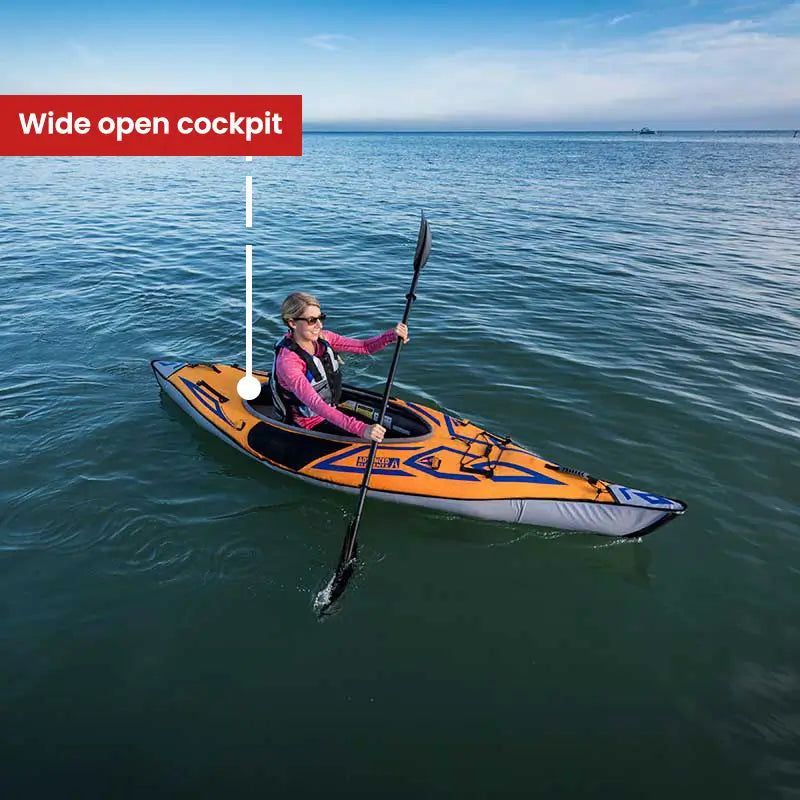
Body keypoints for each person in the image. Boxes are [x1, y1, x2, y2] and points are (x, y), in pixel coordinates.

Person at [270, 291, 409, 442]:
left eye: (320, 318)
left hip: (332, 407)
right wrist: (362, 429)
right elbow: (316, 404)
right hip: (310, 423)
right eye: (311, 320)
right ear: (292, 323)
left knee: (385, 433)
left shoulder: (324, 338)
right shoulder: (288, 362)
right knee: (371, 438)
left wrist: (391, 336)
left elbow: (364, 347)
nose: (319, 325)